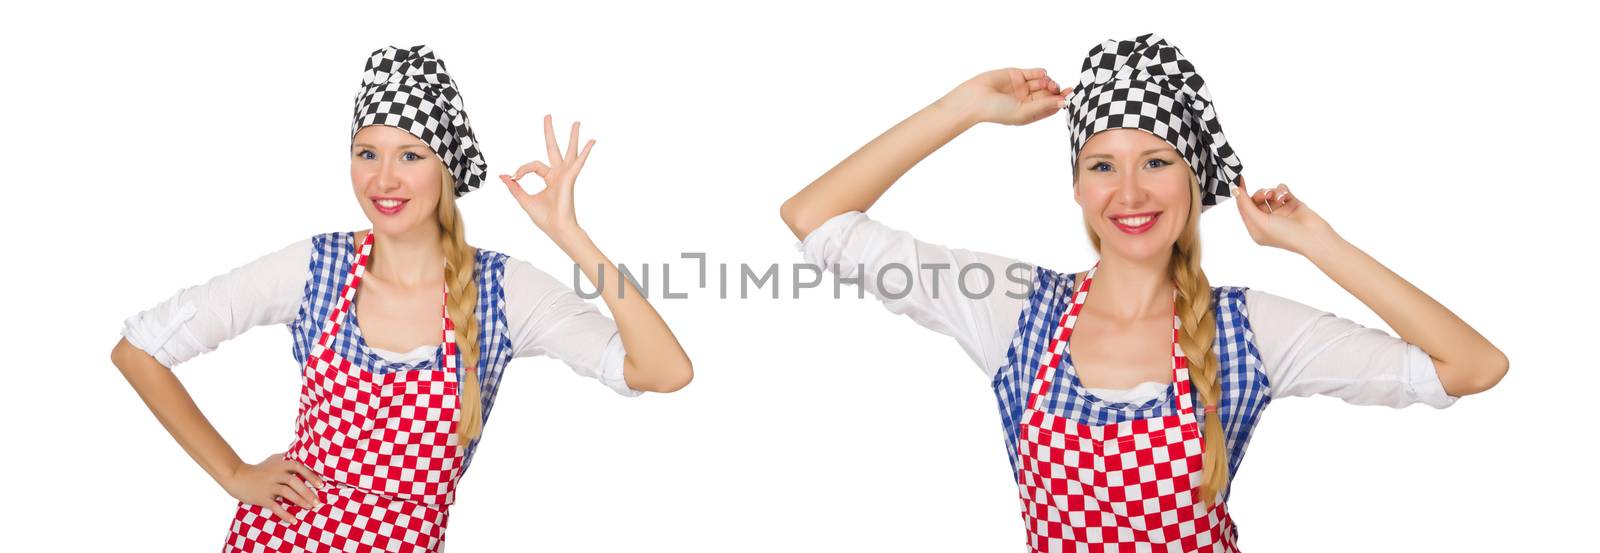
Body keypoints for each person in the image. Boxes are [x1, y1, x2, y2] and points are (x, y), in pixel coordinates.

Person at [778, 34, 1506, 551]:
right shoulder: (1015, 311)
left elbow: (1469, 366)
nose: (1128, 192)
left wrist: (1316, 240)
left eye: (1155, 161)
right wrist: (960, 108)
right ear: (1075, 185)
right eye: (1102, 165)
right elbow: (816, 220)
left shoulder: (1246, 329)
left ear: (1191, 181)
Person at [110, 45, 692, 552]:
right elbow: (138, 351)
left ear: (445, 170)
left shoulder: (503, 292)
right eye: (368, 153)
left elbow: (664, 371)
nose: (383, 180)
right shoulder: (316, 267)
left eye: (409, 156)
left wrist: (570, 235)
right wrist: (235, 474)